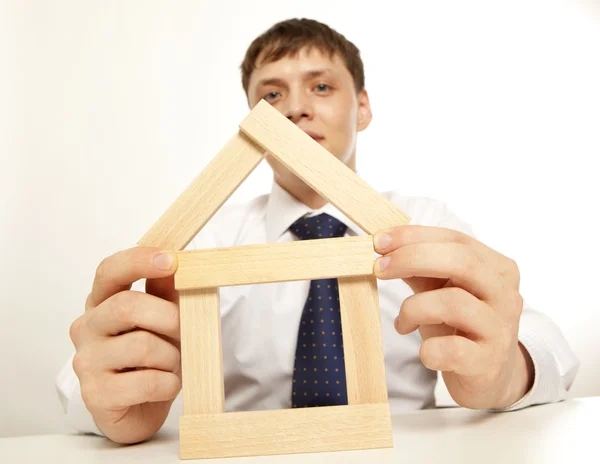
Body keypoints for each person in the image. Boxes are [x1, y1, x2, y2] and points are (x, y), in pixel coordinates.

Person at [56, 18, 579, 445]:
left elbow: (545, 341)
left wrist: (509, 370)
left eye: (322, 86)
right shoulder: (204, 244)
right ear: (251, 122)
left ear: (364, 106)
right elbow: (84, 377)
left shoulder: (425, 225)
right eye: (272, 95)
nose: (297, 107)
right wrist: (111, 400)